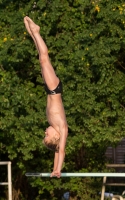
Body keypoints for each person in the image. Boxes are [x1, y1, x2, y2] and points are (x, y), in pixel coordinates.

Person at [24, 16, 68, 178]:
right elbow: (61, 149)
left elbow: (56, 150)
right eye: (47, 135)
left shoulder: (54, 127)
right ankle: (36, 32)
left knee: (41, 58)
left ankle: (33, 34)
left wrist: (54, 168)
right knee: (44, 59)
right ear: (56, 136)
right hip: (54, 89)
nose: (45, 132)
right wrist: (59, 170)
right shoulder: (62, 128)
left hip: (49, 89)